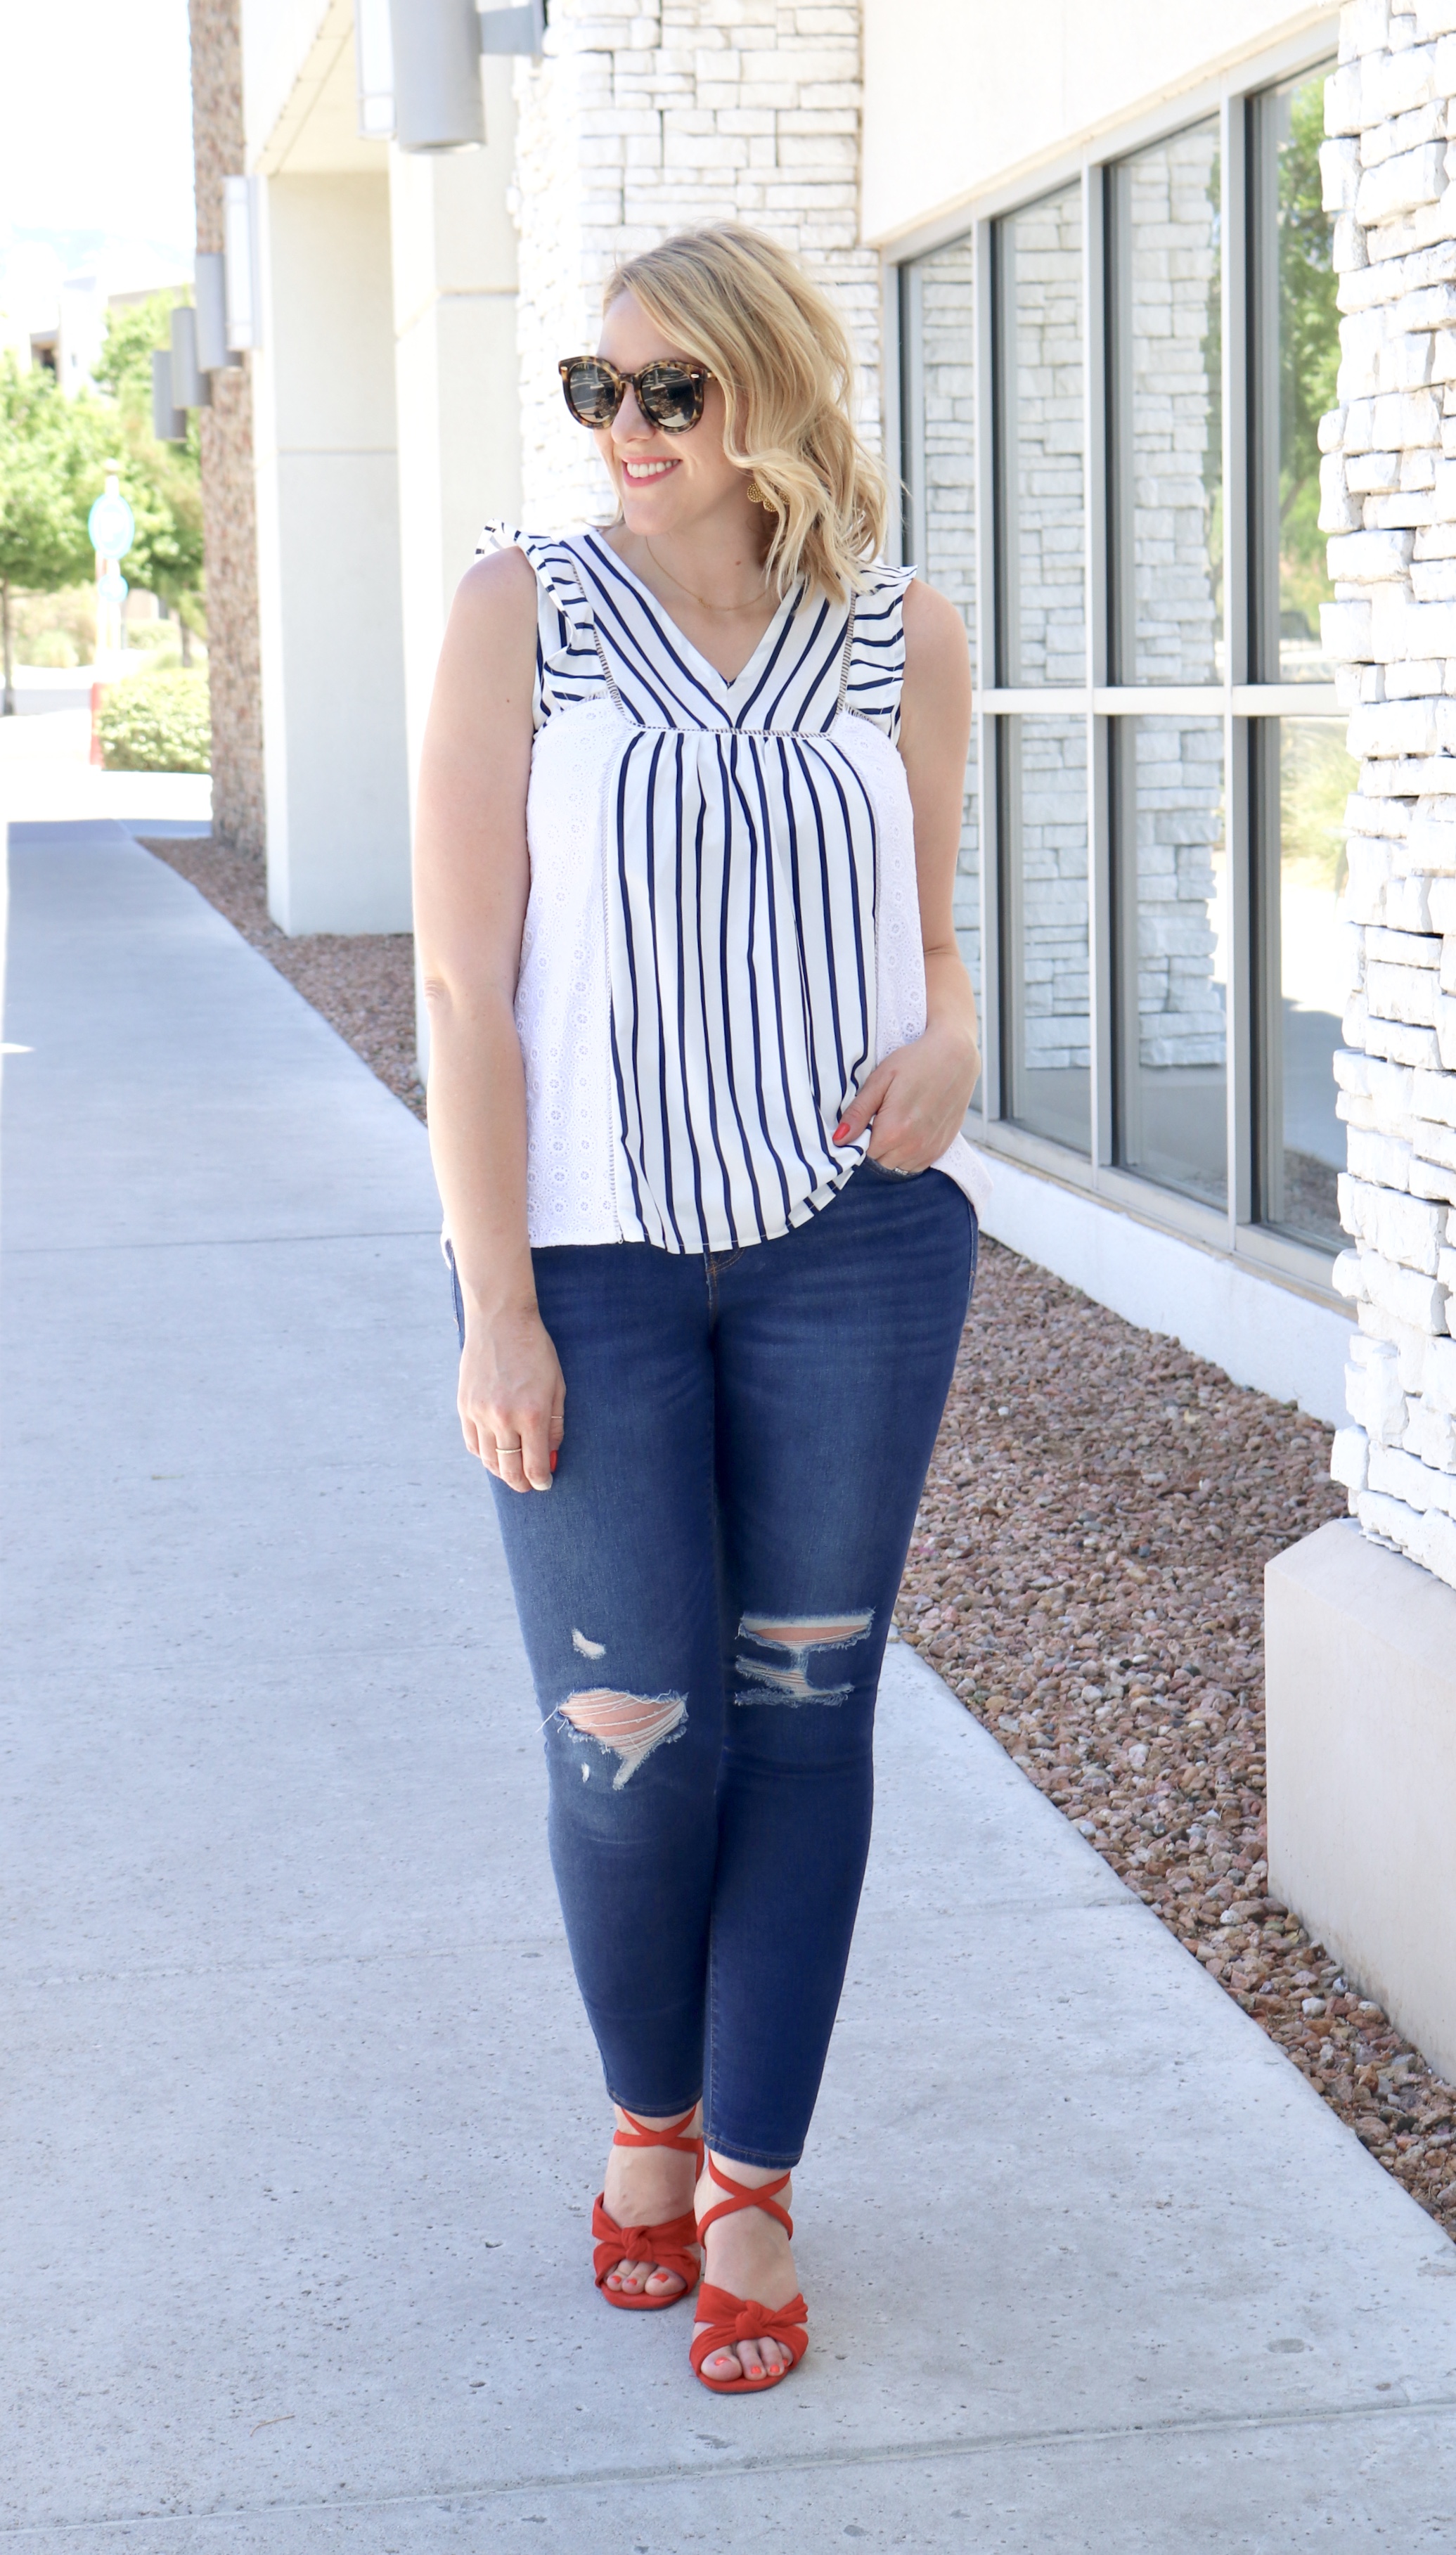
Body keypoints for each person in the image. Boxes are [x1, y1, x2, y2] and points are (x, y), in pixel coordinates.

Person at [413, 222, 986, 2396]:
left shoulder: (897, 635)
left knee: (811, 1716)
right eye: (598, 388)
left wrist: (946, 1043)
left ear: (771, 399)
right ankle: (642, 2111)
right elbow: (467, 984)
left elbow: (924, 938)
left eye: (670, 391)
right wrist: (496, 1309)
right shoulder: (522, 616)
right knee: (632, 1739)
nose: (625, 432)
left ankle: (743, 2171)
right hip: (586, 1263)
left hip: (855, 1248)